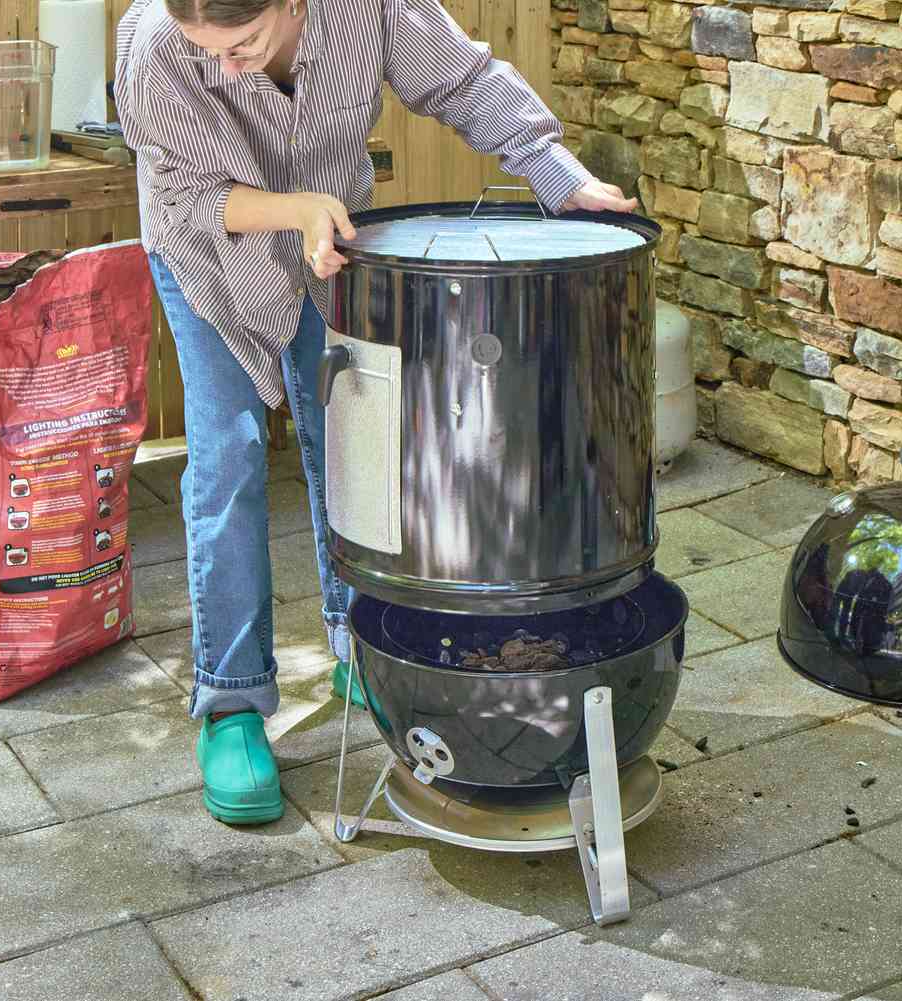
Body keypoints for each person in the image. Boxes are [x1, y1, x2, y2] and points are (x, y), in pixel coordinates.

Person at [114, 0, 637, 826]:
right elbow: (181, 196)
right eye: (206, 48)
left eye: (244, 43)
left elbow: (462, 81)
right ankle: (233, 703)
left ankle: (359, 642)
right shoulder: (155, 48)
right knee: (229, 455)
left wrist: (555, 173)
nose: (229, 66)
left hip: (333, 243)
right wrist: (295, 208)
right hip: (208, 253)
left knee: (352, 434)